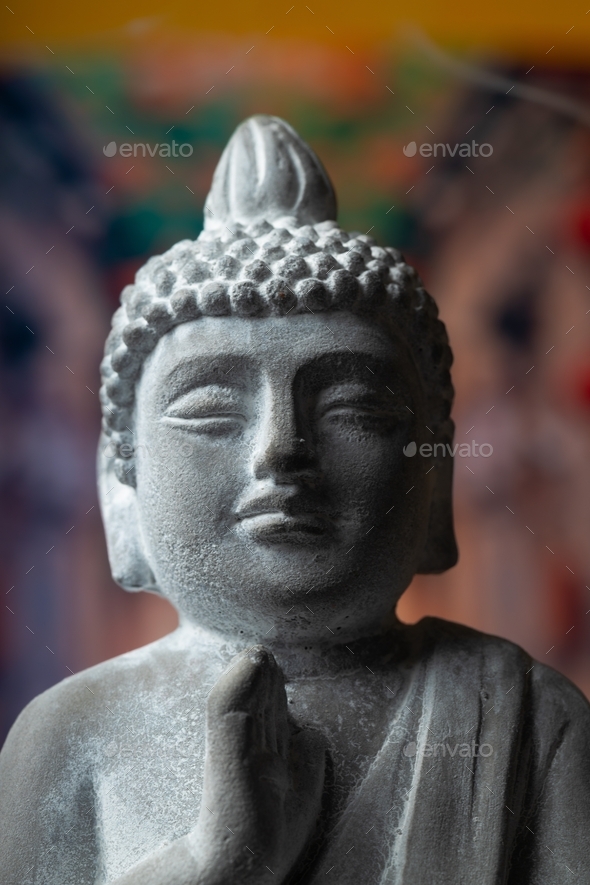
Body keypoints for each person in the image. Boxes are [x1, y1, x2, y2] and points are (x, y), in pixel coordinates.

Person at [1, 115, 589, 885]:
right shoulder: (71, 734)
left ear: (433, 480)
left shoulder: (530, 720)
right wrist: (214, 864)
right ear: (122, 488)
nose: (281, 447)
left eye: (353, 410)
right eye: (212, 409)